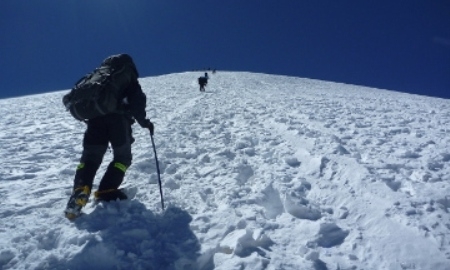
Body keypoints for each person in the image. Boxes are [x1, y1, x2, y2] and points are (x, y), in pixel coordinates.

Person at [64, 54, 154, 219]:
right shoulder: (128, 79)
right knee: (122, 158)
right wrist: (145, 123)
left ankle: (80, 190)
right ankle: (107, 190)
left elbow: (69, 98)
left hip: (94, 121)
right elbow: (137, 103)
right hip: (118, 122)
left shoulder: (98, 76)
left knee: (90, 158)